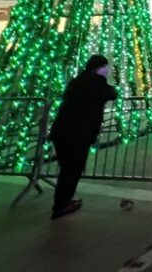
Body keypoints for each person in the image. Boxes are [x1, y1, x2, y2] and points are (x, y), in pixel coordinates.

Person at [48, 55, 117, 219]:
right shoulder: (95, 82)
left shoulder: (77, 80)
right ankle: (61, 205)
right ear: (98, 68)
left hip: (62, 131)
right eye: (104, 67)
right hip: (78, 134)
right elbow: (111, 93)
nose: (106, 70)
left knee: (67, 169)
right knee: (72, 170)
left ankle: (64, 201)